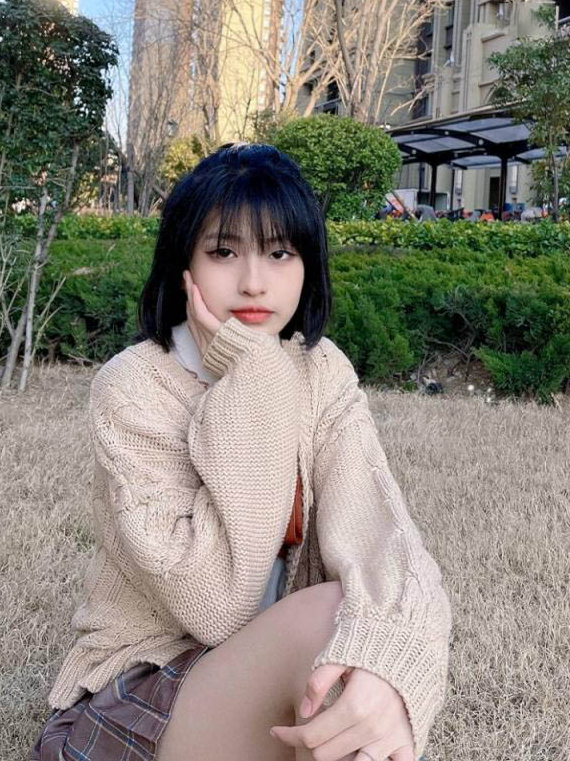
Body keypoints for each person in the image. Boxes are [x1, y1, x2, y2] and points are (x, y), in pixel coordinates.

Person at [29, 142, 452, 761]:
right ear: (184, 263)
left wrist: (391, 671)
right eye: (223, 252)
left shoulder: (322, 372)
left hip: (270, 686)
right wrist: (255, 375)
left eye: (280, 253)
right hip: (145, 693)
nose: (254, 282)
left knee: (364, 643)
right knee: (331, 621)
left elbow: (385, 543)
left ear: (307, 265)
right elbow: (214, 603)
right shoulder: (134, 387)